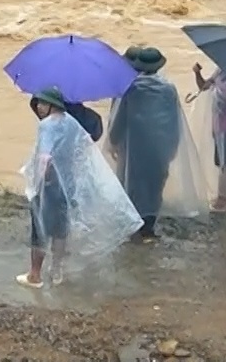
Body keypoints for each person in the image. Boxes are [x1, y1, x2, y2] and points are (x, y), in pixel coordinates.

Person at [19, 86, 141, 288]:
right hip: (68, 184)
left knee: (40, 229)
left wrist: (39, 182)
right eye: (38, 103)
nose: (39, 107)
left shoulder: (47, 126)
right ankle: (57, 271)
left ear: (52, 105)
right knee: (60, 230)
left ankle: (35, 275)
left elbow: (44, 158)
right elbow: (83, 148)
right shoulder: (72, 123)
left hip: (49, 185)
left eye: (42, 103)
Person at [108, 46, 204, 240]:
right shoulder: (169, 89)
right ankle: (149, 228)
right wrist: (173, 145)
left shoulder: (131, 89)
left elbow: (121, 118)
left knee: (132, 186)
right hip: (160, 147)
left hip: (135, 148)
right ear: (158, 67)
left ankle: (134, 227)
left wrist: (113, 141)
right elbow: (174, 119)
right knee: (155, 186)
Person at [193, 62, 226, 211]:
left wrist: (216, 86)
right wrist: (197, 73)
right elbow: (204, 86)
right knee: (222, 161)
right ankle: (225, 196)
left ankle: (224, 198)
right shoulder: (221, 71)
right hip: (219, 125)